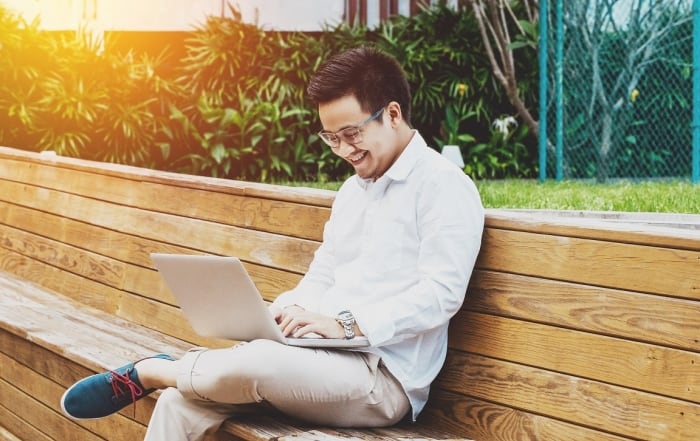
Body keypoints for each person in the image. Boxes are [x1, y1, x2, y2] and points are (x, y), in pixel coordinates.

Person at [60, 46, 485, 440]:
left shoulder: (443, 186)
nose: (343, 150)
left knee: (256, 364)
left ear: (392, 114)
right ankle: (176, 375)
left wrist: (348, 324)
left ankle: (155, 370)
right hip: (318, 357)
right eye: (331, 138)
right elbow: (325, 270)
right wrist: (286, 312)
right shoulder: (353, 192)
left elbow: (440, 295)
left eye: (351, 133)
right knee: (181, 399)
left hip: (382, 378)